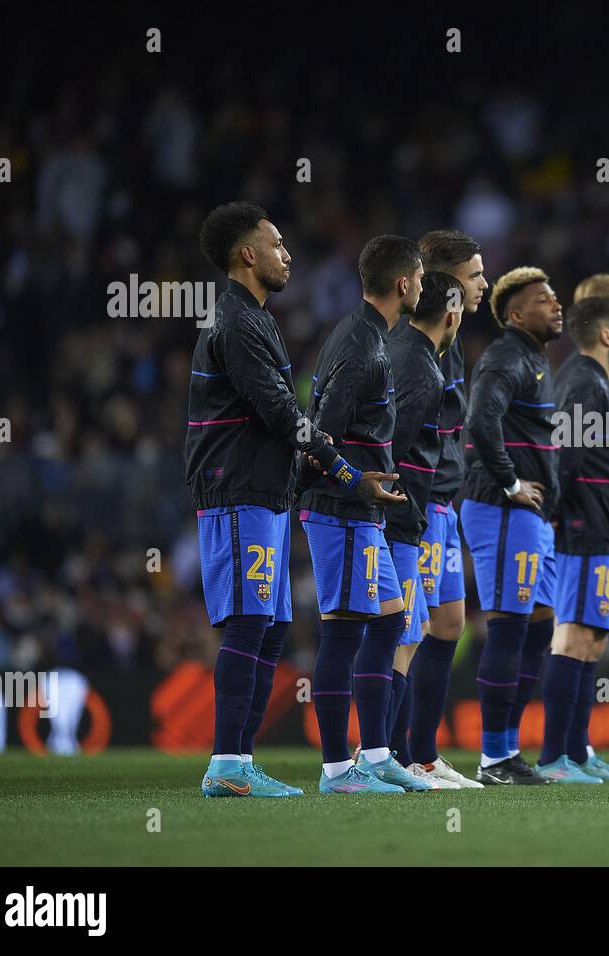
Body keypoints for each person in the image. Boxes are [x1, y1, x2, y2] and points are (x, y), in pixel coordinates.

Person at [188, 203, 398, 798]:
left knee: (273, 627)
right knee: (250, 619)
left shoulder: (255, 318)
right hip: (236, 487)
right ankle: (226, 763)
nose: (287, 254)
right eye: (276, 244)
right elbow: (280, 411)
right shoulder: (232, 321)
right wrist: (343, 470)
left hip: (266, 491)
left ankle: (240, 762)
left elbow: (285, 412)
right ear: (246, 254)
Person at [297, 235, 434, 795]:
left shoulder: (360, 335)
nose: (424, 287)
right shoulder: (362, 346)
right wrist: (355, 482)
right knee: (343, 630)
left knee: (387, 620)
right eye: (421, 278)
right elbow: (318, 434)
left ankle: (376, 754)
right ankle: (336, 771)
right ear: (403, 284)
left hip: (360, 512)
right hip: (342, 510)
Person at [461, 266, 562, 784]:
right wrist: (510, 485)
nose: (556, 305)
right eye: (544, 300)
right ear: (516, 314)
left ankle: (508, 750)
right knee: (509, 626)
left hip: (531, 515)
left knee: (539, 627)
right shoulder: (505, 356)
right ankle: (493, 758)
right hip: (503, 509)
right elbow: (480, 421)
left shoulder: (535, 360)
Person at [537, 296, 609, 783]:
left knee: (592, 641)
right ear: (605, 334)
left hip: (605, 530)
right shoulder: (580, 381)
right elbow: (565, 460)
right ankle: (554, 757)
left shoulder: (600, 382)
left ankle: (576, 752)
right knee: (574, 637)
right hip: (583, 530)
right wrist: (560, 518)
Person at [404, 229, 489, 789]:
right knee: (406, 631)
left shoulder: (451, 342)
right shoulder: (414, 342)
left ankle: (424, 755)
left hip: (444, 502)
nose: (484, 284)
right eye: (477, 275)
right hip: (419, 502)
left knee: (449, 622)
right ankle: (387, 755)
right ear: (450, 282)